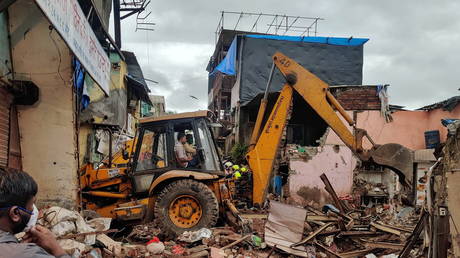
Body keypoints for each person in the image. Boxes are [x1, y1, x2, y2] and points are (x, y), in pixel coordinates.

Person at [0, 167, 69, 258]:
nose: (34, 209)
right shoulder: (30, 254)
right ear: (15, 213)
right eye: (32, 204)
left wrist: (15, 244)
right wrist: (57, 249)